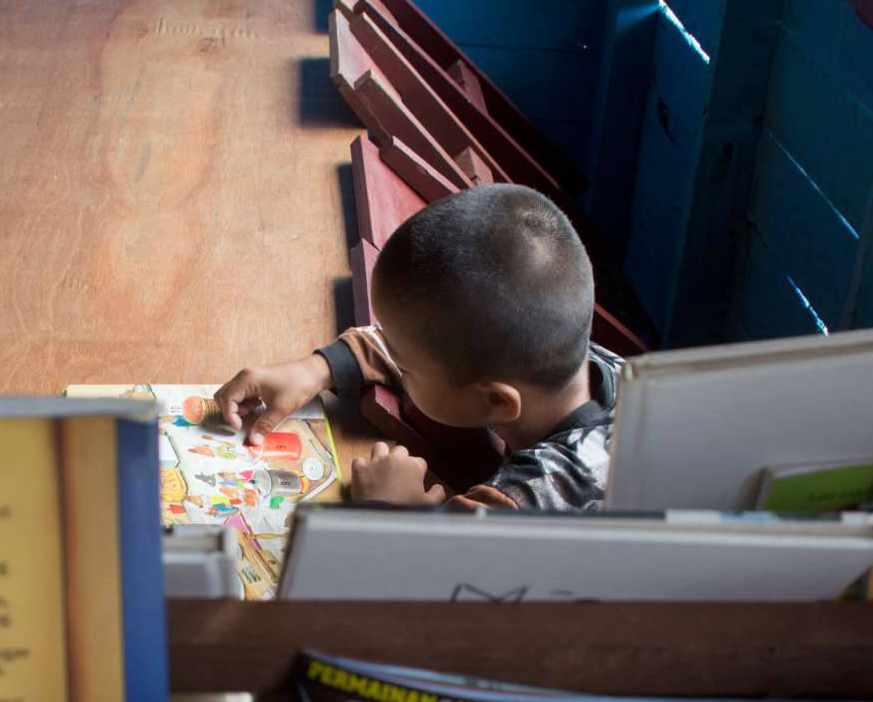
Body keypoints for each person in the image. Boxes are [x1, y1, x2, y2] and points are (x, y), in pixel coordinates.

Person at [214, 184, 619, 510]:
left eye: (405, 367)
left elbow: (425, 577)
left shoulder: (525, 506)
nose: (397, 363)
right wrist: (316, 368)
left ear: (497, 401)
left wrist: (387, 508)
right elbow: (432, 344)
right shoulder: (556, 352)